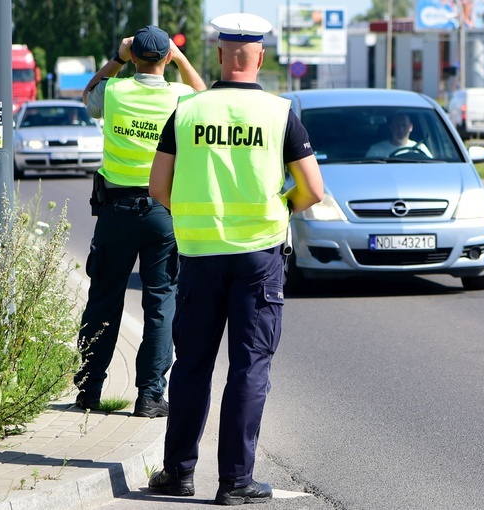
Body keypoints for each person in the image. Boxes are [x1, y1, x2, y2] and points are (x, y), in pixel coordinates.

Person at [146, 12, 323, 505]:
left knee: (191, 366)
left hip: (200, 255)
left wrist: (194, 215)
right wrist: (278, 207)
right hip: (258, 258)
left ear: (221, 55)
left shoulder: (187, 112)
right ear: (260, 56)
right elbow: (313, 189)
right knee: (249, 369)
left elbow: (159, 187)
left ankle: (178, 473)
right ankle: (235, 483)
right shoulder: (280, 113)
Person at [74, 25, 206, 418]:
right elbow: (205, 97)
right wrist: (180, 59)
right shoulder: (181, 97)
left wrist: (117, 58)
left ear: (133, 57)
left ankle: (90, 391)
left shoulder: (114, 91)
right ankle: (150, 396)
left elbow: (88, 97)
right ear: (165, 58)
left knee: (103, 300)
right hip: (162, 212)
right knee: (160, 303)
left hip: (115, 212)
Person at [366, 112, 433, 158]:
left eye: (404, 125)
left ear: (410, 127)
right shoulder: (376, 151)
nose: (401, 129)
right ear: (391, 128)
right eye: (397, 126)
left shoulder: (419, 149)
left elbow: (433, 168)